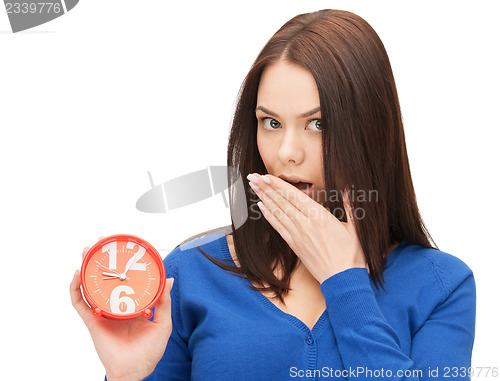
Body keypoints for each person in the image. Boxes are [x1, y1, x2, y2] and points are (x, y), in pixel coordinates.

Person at [70, 9, 476, 381]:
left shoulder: (442, 287)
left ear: (372, 130)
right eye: (271, 123)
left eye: (318, 124)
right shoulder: (187, 276)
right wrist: (127, 376)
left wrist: (345, 282)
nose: (286, 153)